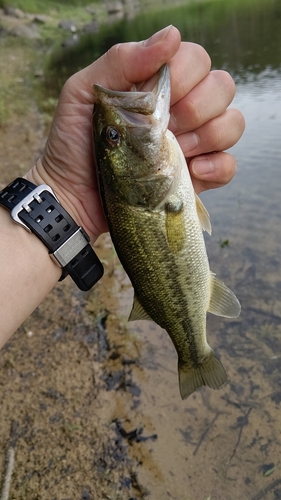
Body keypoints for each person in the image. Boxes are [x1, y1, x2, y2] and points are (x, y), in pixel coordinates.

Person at [0, 26, 245, 347]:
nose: (114, 129)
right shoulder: (147, 181)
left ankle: (192, 349)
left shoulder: (149, 181)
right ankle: (194, 352)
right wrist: (61, 190)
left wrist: (60, 192)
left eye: (112, 136)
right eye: (113, 137)